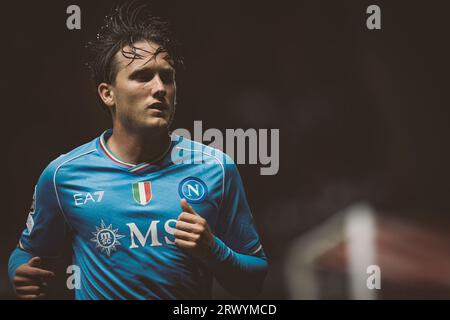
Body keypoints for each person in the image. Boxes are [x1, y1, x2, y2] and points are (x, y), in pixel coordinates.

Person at [8, 1, 268, 300]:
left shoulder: (216, 169)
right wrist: (19, 272)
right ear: (108, 93)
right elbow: (27, 252)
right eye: (142, 76)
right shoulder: (63, 175)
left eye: (167, 77)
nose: (159, 88)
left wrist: (214, 251)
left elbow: (254, 280)